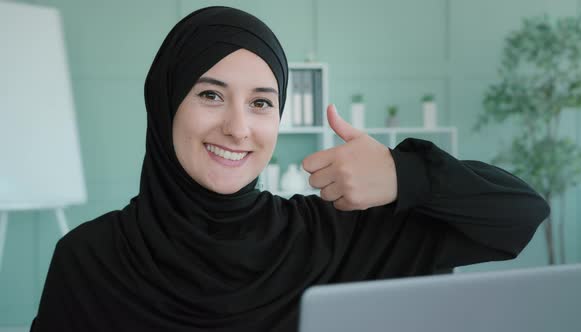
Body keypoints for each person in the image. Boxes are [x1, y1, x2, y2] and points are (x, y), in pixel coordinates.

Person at [30, 5, 550, 332]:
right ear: (165, 104)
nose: (238, 128)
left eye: (261, 103)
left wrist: (402, 174)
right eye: (211, 94)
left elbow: (519, 214)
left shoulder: (337, 236)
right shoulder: (87, 261)